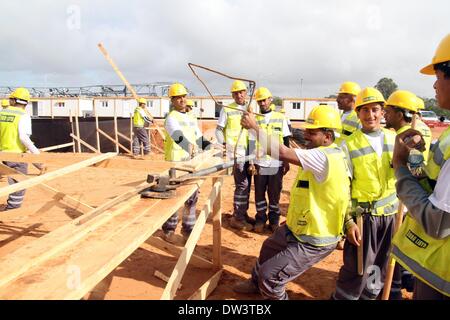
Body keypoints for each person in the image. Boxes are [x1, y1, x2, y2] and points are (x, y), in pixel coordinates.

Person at [233, 104, 350, 299]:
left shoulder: (323, 157)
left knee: (270, 277)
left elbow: (282, 151)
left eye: (312, 133)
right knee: (269, 247)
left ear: (327, 137)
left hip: (315, 237)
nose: (306, 136)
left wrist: (254, 126)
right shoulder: (323, 153)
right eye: (307, 131)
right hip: (300, 227)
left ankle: (266, 287)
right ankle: (255, 284)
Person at [390, 33, 450, 300]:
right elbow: (436, 189)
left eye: (437, 76)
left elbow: (438, 222)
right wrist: (415, 159)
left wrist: (400, 165)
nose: (434, 86)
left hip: (441, 278)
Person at [332, 87, 399, 300]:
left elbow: (412, 173)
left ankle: (369, 297)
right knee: (357, 269)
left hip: (391, 217)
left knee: (380, 267)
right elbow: (343, 190)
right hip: (363, 218)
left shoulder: (395, 138)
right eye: (365, 110)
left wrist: (414, 156)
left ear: (383, 112)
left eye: (375, 109)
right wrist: (349, 221)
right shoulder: (347, 145)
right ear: (358, 113)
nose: (370, 115)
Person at [162, 83, 212, 243]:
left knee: (192, 195)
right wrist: (190, 148)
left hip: (192, 163)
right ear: (173, 100)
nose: (182, 100)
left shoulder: (191, 118)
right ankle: (169, 230)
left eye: (183, 96)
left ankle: (188, 229)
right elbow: (177, 136)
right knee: (174, 196)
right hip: (177, 162)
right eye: (178, 98)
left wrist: (211, 147)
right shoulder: (171, 118)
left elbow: (198, 137)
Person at [251, 87, 291, 233]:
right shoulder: (255, 119)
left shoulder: (280, 118)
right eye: (259, 100)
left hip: (276, 162)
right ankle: (260, 219)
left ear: (270, 100)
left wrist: (286, 161)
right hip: (260, 163)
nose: (262, 103)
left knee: (274, 193)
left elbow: (286, 140)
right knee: (259, 193)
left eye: (264, 100)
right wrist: (251, 161)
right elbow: (250, 140)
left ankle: (274, 220)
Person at [216, 80, 254, 231]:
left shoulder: (250, 108)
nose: (239, 95)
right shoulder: (227, 109)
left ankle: (242, 214)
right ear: (232, 94)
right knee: (242, 185)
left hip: (249, 152)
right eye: (236, 92)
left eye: (241, 92)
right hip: (235, 152)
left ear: (246, 93)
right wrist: (224, 145)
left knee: (247, 185)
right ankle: (237, 218)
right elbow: (219, 130)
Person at [0, 88, 46, 210]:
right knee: (19, 184)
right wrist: (38, 156)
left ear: (14, 100)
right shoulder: (23, 116)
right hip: (16, 156)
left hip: (2, 153)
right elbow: (24, 138)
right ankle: (13, 209)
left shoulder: (1, 113)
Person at [384, 90, 432, 163]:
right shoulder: (411, 132)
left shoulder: (405, 138)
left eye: (387, 112)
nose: (384, 115)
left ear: (399, 115)